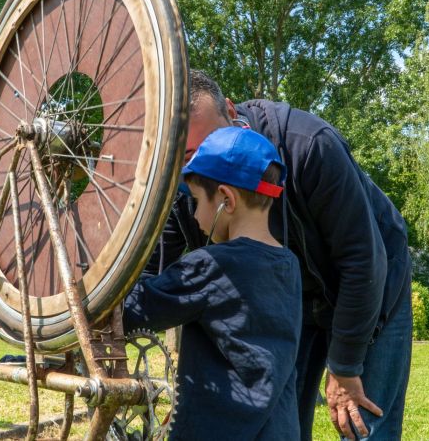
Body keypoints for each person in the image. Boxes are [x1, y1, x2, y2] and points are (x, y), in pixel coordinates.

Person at [146, 70, 413, 440]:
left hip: (373, 279)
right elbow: (155, 268)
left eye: (205, 145)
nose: (198, 167)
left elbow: (363, 259)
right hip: (291, 299)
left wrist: (346, 365)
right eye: (186, 155)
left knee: (363, 425)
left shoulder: (309, 145)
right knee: (283, 421)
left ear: (229, 109)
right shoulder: (186, 178)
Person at [123, 126, 303, 441]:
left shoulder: (212, 265)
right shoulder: (288, 265)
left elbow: (135, 310)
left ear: (225, 200)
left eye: (194, 201)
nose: (193, 216)